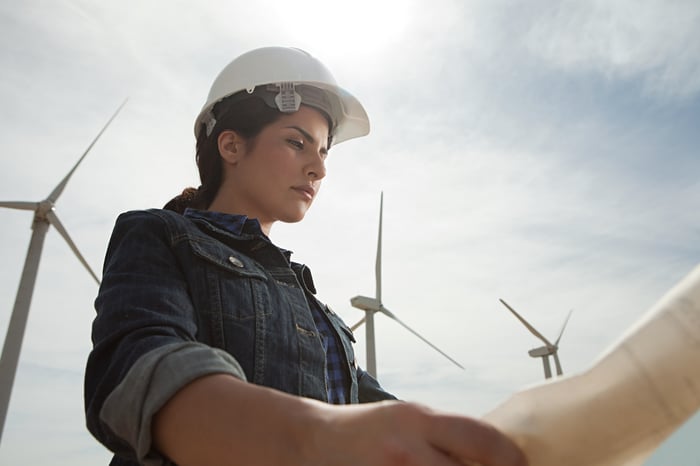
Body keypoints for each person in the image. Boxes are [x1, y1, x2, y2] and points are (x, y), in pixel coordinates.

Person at [84, 46, 528, 466]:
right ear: (231, 146)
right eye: (297, 143)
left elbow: (380, 422)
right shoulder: (160, 234)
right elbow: (135, 373)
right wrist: (317, 436)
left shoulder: (321, 315)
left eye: (323, 150)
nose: (319, 167)